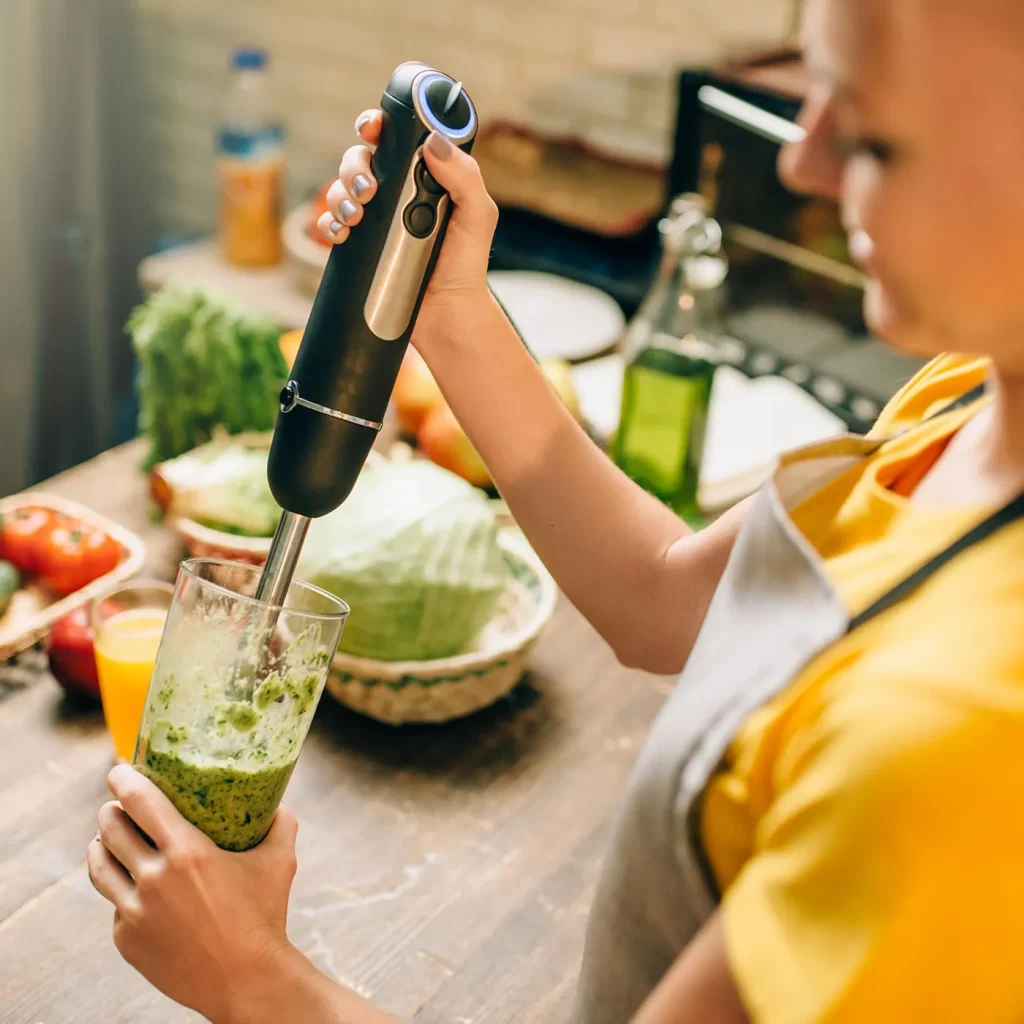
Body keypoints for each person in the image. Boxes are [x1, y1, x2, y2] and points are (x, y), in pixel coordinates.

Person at [88, 0, 1024, 1020]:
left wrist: (255, 979)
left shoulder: (970, 739)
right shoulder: (961, 397)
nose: (803, 165)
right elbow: (660, 596)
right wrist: (448, 307)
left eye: (873, 130)